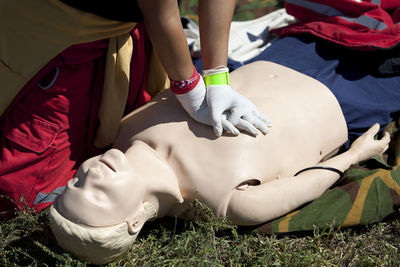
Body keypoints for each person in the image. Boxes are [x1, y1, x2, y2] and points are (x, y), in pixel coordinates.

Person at [48, 61, 391, 264]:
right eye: (96, 196)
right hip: (343, 98)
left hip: (274, 58)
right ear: (135, 220)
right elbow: (308, 185)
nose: (90, 173)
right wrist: (354, 156)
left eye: (75, 182)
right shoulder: (227, 202)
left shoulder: (122, 130)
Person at [0, 0, 268, 218]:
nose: (95, 174)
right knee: (23, 198)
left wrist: (217, 77)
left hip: (128, 24)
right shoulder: (234, 202)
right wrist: (190, 89)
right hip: (57, 28)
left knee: (28, 196)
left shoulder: (229, 198)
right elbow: (160, 11)